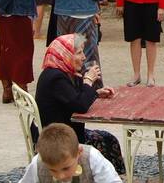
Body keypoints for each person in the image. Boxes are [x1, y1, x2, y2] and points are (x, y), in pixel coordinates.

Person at [34, 34, 124, 174]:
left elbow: (74, 98)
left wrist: (96, 92)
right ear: (65, 54)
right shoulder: (56, 78)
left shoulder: (61, 72)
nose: (83, 57)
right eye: (79, 53)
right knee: (107, 141)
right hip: (57, 139)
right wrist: (88, 80)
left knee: (108, 138)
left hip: (59, 131)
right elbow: (80, 105)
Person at [18, 123, 122, 183]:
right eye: (53, 170)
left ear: (79, 152)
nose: (60, 176)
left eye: (66, 168)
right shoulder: (38, 163)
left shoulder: (91, 157)